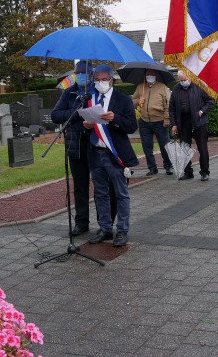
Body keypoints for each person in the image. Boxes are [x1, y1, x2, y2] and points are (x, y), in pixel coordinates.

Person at [84, 65, 138, 247]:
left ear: (112, 79)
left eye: (104, 79)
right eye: (97, 79)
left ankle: (122, 230)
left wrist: (115, 119)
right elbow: (83, 122)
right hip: (95, 152)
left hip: (114, 154)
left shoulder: (123, 100)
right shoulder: (89, 99)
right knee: (100, 193)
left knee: (121, 193)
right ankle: (105, 228)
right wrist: (86, 125)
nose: (100, 82)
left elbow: (131, 126)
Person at [51, 61, 96, 236]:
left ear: (91, 74)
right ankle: (81, 222)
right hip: (75, 145)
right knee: (79, 186)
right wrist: (76, 113)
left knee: (101, 185)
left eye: (85, 72)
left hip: (95, 144)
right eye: (79, 73)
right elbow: (56, 115)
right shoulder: (69, 93)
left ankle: (104, 223)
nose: (82, 75)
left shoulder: (96, 92)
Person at [168, 70, 214, 181]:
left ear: (190, 78)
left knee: (202, 149)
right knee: (184, 149)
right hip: (183, 123)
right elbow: (172, 108)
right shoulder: (176, 89)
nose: (183, 82)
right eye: (181, 80)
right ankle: (188, 172)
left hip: (199, 122)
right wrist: (173, 124)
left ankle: (204, 172)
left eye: (185, 80)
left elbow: (210, 101)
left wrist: (202, 111)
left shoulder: (200, 86)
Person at [132, 69, 173, 176]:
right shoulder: (140, 87)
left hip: (159, 121)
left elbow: (169, 104)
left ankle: (168, 166)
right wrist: (138, 101)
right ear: (144, 75)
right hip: (144, 121)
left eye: (152, 74)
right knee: (147, 146)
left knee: (165, 145)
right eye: (148, 74)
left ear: (156, 75)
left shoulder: (162, 87)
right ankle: (152, 168)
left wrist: (167, 119)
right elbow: (131, 102)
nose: (150, 76)